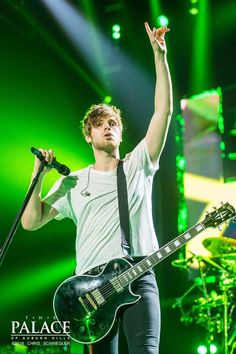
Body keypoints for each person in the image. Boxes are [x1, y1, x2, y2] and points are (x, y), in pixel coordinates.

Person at [21, 22, 172, 354]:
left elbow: (164, 111)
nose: (108, 127)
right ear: (88, 136)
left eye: (114, 123)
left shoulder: (137, 164)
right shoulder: (72, 182)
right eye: (100, 124)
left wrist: (160, 57)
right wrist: (38, 176)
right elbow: (31, 221)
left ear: (120, 133)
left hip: (138, 276)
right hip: (91, 290)